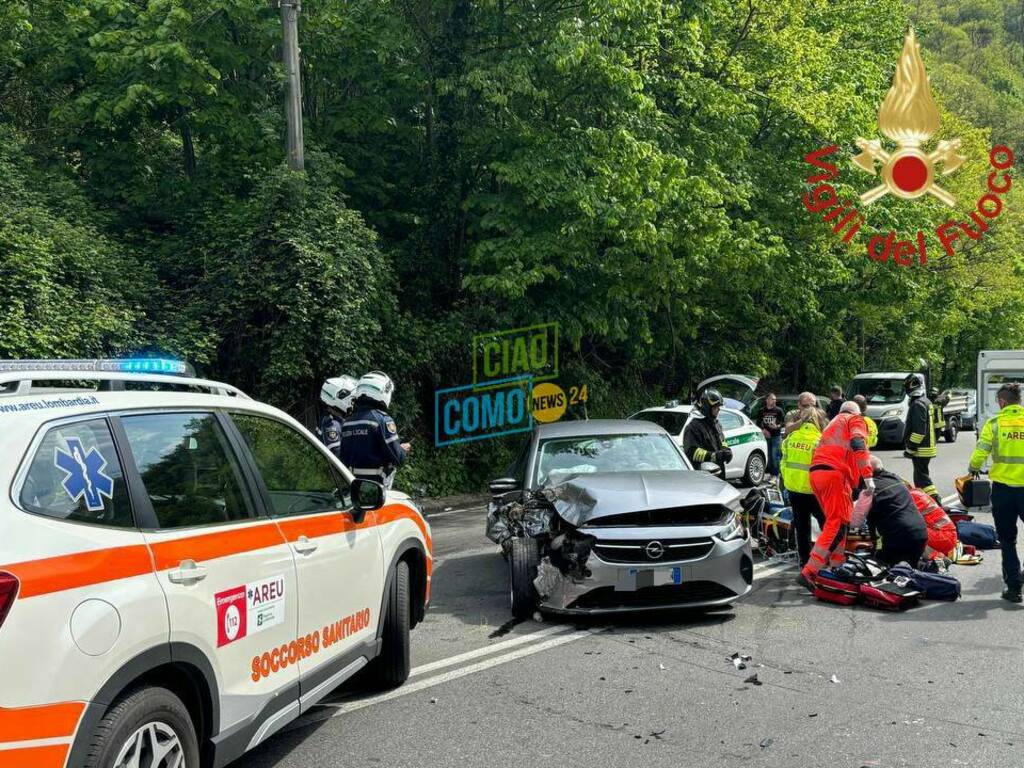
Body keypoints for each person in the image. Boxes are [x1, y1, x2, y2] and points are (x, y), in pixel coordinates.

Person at [798, 401, 874, 590]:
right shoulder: (854, 419)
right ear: (856, 412)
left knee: (840, 523)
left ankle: (836, 566)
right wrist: (868, 476)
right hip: (835, 475)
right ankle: (810, 571)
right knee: (838, 523)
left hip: (818, 475)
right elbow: (858, 443)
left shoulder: (832, 424)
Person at [968, 381, 1024, 602]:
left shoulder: (995, 424)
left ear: (1002, 401)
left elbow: (980, 453)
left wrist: (973, 468)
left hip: (1004, 492)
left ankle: (1014, 589)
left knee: (1007, 541)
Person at [340, 371, 411, 490]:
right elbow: (397, 457)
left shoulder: (348, 422)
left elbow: (343, 456)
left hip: (353, 485)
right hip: (376, 487)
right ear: (383, 392)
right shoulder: (382, 420)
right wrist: (402, 450)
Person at [859, 456, 929, 567]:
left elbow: (857, 520)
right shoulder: (895, 478)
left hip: (898, 538)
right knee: (908, 574)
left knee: (877, 568)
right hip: (921, 534)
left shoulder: (870, 488)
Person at [781, 407, 827, 566]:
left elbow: (783, 463)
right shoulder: (819, 440)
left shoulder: (790, 438)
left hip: (794, 489)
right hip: (814, 491)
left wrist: (789, 482)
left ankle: (804, 561)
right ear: (817, 420)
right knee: (827, 524)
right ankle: (826, 557)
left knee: (802, 528)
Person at [903, 374, 938, 502]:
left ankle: (935, 502)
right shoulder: (926, 401)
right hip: (926, 447)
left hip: (921, 449)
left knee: (922, 479)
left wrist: (911, 448)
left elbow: (919, 431)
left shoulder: (917, 404)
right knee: (922, 477)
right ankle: (929, 503)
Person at [683, 388, 733, 476]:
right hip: (703, 475)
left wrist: (726, 450)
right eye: (716, 407)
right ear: (707, 407)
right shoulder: (693, 427)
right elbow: (692, 452)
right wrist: (713, 456)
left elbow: (722, 441)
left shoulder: (716, 424)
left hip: (719, 472)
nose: (719, 409)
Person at [909, 486, 957, 561]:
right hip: (947, 536)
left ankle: (937, 557)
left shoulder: (911, 497)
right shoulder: (916, 493)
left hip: (944, 537)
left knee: (904, 530)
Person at [319, 375, 358, 457]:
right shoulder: (332, 424)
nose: (353, 404)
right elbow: (338, 455)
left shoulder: (334, 420)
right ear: (340, 398)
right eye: (352, 400)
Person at [757, 393, 784, 476]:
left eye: (775, 399)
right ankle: (769, 474)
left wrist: (777, 426)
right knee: (768, 455)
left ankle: (776, 475)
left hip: (776, 436)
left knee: (775, 456)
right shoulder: (762, 410)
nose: (774, 401)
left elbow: (783, 423)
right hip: (766, 436)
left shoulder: (779, 410)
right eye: (772, 399)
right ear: (767, 400)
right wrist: (764, 430)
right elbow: (758, 423)